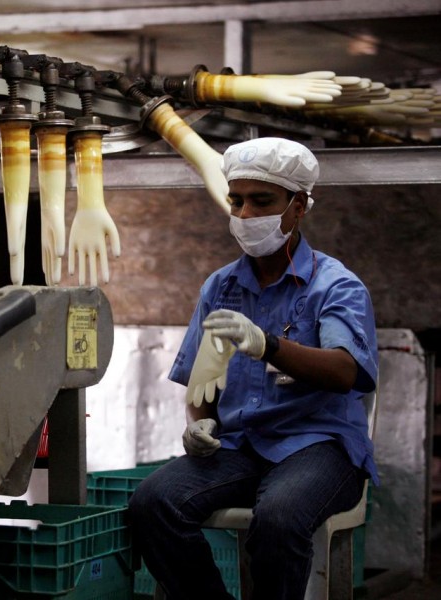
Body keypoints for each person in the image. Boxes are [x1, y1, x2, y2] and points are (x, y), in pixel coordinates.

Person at [128, 137, 378, 600]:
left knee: (280, 517)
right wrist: (198, 425)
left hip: (320, 447)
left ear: (298, 206)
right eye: (236, 200)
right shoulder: (221, 287)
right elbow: (202, 386)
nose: (244, 215)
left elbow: (347, 372)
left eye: (261, 201)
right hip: (242, 446)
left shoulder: (335, 286)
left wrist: (268, 346)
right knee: (152, 503)